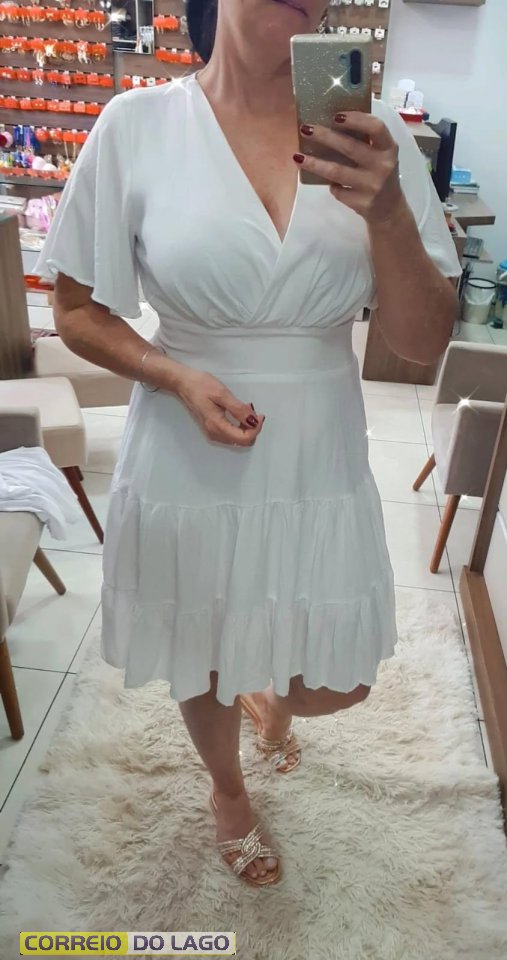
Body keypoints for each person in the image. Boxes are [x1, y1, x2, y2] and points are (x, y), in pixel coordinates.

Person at [35, 0, 460, 888]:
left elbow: (423, 342)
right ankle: (227, 790)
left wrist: (388, 213)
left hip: (319, 450)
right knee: (205, 643)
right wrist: (173, 376)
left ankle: (273, 699)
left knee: (338, 678)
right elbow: (73, 308)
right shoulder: (137, 125)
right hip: (187, 435)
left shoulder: (371, 138)